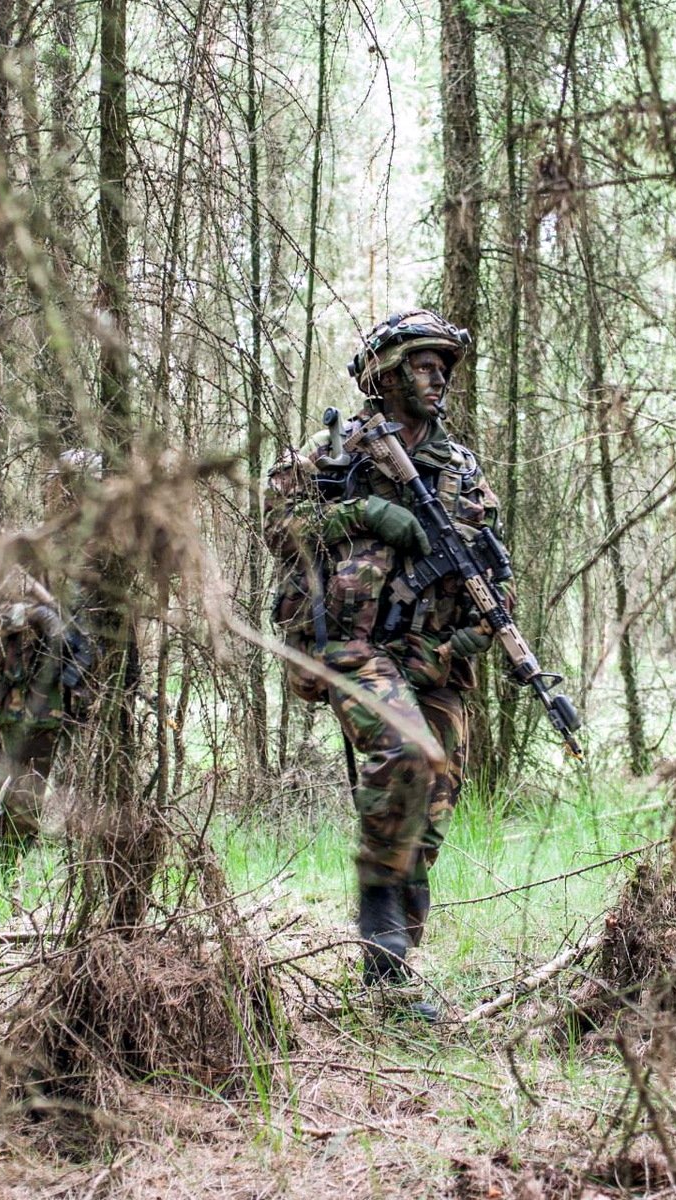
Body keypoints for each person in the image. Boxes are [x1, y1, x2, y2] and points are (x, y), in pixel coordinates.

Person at [266, 309, 505, 1011]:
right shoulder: (335, 451)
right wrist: (363, 516)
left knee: (431, 807)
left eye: (443, 368)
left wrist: (474, 638)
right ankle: (382, 944)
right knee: (405, 753)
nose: (437, 379)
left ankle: (393, 973)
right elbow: (280, 529)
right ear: (389, 372)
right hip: (352, 643)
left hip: (434, 655)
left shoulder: (459, 468)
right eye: (424, 366)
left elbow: (490, 564)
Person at [0, 450, 102, 871]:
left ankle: (90, 872)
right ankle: (13, 873)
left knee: (97, 792)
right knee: (27, 788)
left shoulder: (103, 550)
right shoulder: (28, 549)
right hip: (37, 700)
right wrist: (32, 614)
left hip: (89, 694)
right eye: (68, 487)